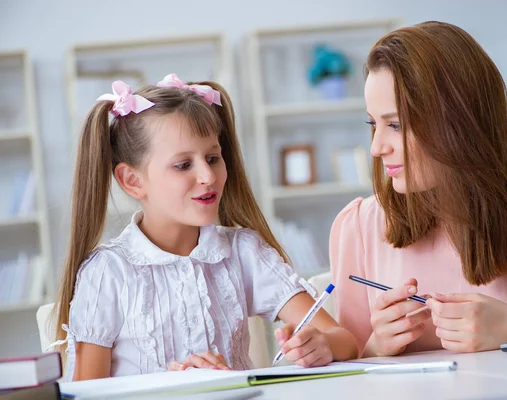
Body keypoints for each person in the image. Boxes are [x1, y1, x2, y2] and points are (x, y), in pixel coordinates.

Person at [52, 73, 358, 381]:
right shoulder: (108, 272)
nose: (208, 176)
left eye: (213, 158)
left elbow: (345, 341)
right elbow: (87, 393)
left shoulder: (243, 253)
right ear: (133, 180)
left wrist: (323, 344)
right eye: (183, 165)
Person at [330, 21, 507, 357]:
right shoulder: (360, 228)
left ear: (458, 123)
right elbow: (350, 372)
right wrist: (377, 345)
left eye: (396, 125)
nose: (377, 147)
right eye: (374, 124)